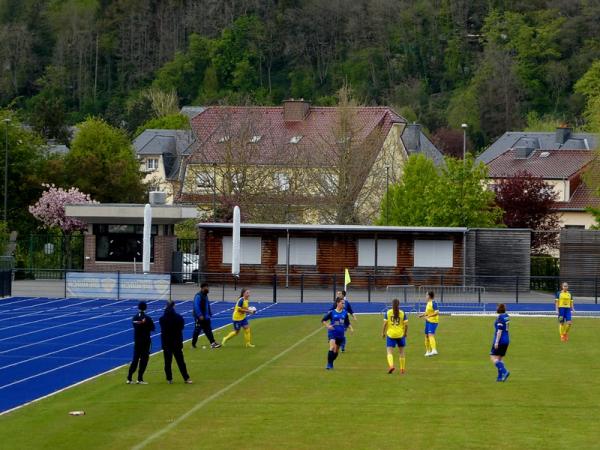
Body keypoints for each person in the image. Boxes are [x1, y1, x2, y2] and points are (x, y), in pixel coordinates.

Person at [159, 300, 192, 384]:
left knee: (167, 362)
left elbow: (163, 330)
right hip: (176, 341)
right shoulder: (179, 317)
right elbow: (181, 327)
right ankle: (186, 378)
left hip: (166, 342)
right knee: (180, 361)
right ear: (173, 306)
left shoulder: (162, 318)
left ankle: (169, 379)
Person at [126, 301, 155, 384]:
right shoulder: (148, 318)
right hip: (146, 341)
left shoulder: (134, 318)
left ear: (138, 308)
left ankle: (129, 378)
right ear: (146, 308)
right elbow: (153, 328)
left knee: (135, 359)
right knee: (144, 360)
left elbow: (135, 326)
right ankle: (139, 378)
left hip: (137, 341)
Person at [382, 298, 408, 374]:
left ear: (392, 305)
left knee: (389, 352)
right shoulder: (402, 313)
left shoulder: (388, 312)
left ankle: (391, 366)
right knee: (402, 352)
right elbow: (406, 325)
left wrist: (383, 333)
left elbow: (385, 324)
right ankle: (402, 369)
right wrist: (405, 333)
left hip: (391, 334)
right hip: (400, 334)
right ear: (399, 304)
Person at [192, 282, 221, 349]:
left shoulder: (205, 295)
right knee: (197, 331)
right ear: (203, 288)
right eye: (207, 287)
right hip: (200, 317)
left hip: (206, 317)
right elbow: (196, 306)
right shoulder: (198, 296)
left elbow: (207, 305)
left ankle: (213, 343)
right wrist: (200, 315)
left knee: (208, 330)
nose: (208, 289)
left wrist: (210, 313)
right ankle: (193, 344)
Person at [322, 297, 348, 370]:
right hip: (332, 332)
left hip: (340, 334)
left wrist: (347, 327)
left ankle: (331, 362)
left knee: (336, 351)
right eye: (342, 303)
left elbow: (347, 322)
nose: (343, 304)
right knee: (332, 347)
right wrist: (328, 326)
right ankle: (329, 364)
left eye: (344, 303)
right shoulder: (332, 312)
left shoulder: (345, 313)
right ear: (338, 303)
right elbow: (323, 320)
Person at [490, 303, 510, 382]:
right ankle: (499, 377)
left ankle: (504, 371)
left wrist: (496, 342)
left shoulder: (500, 318)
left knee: (493, 357)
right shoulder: (506, 316)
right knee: (500, 358)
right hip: (506, 340)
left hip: (500, 340)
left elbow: (499, 331)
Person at [418, 291, 439, 356]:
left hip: (433, 322)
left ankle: (434, 350)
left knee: (430, 335)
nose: (425, 296)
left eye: (426, 295)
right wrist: (422, 315)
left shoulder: (433, 303)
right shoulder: (428, 303)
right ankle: (428, 351)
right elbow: (427, 312)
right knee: (426, 336)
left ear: (429, 296)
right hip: (428, 321)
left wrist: (428, 316)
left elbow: (437, 312)